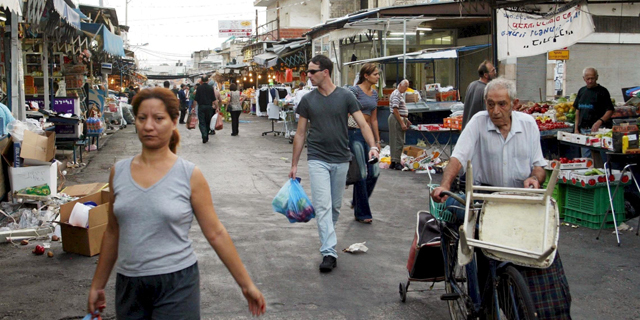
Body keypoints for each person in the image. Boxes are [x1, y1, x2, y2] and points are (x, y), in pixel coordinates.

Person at [86, 88, 266, 319]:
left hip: (177, 283)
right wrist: (97, 286)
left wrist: (246, 284)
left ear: (173, 122)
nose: (149, 126)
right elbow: (112, 232)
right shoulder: (118, 172)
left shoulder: (189, 174)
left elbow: (216, 233)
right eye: (142, 118)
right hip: (129, 285)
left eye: (158, 118)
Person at [431, 78, 571, 320]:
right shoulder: (478, 122)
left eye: (502, 104)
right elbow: (458, 158)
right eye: (490, 104)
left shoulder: (528, 125)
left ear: (514, 104)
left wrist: (534, 179)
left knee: (536, 252)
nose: (495, 111)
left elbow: (539, 166)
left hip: (520, 198)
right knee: (486, 257)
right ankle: (484, 307)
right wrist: (445, 184)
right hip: (486, 198)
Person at [289, 55, 380, 273]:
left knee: (335, 207)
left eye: (312, 72)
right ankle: (329, 251)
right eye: (307, 72)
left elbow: (363, 123)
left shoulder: (346, 96)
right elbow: (300, 134)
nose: (308, 76)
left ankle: (327, 239)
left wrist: (373, 145)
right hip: (317, 158)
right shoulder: (307, 100)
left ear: (325, 72)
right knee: (322, 206)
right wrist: (294, 165)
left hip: (341, 159)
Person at [348, 63, 382, 224]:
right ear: (366, 76)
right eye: (375, 74)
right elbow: (346, 112)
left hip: (367, 134)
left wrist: (376, 140)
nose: (378, 76)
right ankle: (362, 212)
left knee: (374, 172)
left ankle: (357, 200)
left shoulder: (374, 94)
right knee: (361, 173)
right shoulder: (354, 91)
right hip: (354, 133)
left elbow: (374, 119)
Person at [574, 67, 614, 159]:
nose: (590, 81)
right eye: (588, 78)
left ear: (597, 78)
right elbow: (577, 110)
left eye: (592, 78)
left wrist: (599, 121)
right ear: (583, 78)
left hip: (600, 131)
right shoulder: (581, 91)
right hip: (584, 130)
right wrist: (576, 128)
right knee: (586, 159)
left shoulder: (603, 91)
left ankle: (606, 171)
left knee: (604, 157)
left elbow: (610, 110)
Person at [461, 60, 497, 130]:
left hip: (468, 130)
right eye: (493, 71)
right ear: (486, 75)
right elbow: (488, 114)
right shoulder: (486, 90)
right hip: (478, 132)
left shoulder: (471, 85)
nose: (495, 73)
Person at [388, 80, 411, 170]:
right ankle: (396, 162)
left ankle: (394, 161)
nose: (406, 88)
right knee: (398, 140)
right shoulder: (396, 94)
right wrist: (402, 123)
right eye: (405, 86)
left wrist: (406, 120)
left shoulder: (398, 94)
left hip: (399, 118)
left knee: (395, 139)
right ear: (400, 85)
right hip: (396, 119)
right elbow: (395, 110)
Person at [194, 76, 216, 143]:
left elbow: (195, 99)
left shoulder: (199, 88)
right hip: (209, 107)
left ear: (201, 80)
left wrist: (193, 107)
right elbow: (214, 99)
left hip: (201, 107)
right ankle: (206, 134)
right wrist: (217, 107)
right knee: (208, 121)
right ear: (207, 80)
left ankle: (204, 134)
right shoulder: (210, 88)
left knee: (202, 122)